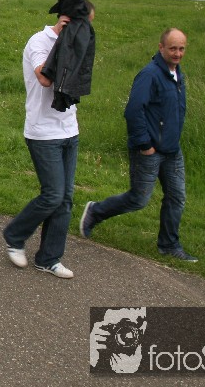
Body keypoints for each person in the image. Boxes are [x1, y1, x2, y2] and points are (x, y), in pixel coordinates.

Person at [80, 28, 196, 262]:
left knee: (176, 197)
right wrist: (145, 145)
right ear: (161, 47)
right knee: (139, 199)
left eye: (181, 49)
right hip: (149, 150)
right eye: (173, 48)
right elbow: (133, 111)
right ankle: (95, 211)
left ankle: (169, 245)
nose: (177, 53)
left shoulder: (177, 74)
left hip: (172, 150)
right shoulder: (149, 75)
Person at [2, 0, 95, 279]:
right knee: (53, 194)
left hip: (69, 129)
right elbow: (44, 78)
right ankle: (15, 236)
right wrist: (63, 42)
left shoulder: (78, 44)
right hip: (43, 132)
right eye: (83, 24)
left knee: (65, 198)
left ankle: (49, 258)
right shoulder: (39, 42)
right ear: (66, 20)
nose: (87, 31)